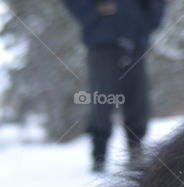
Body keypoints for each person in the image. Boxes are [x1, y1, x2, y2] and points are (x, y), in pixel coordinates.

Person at [63, 0, 165, 172]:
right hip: (102, 44)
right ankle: (99, 156)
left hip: (136, 43)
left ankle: (136, 154)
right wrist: (93, 15)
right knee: (102, 99)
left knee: (137, 100)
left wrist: (148, 21)